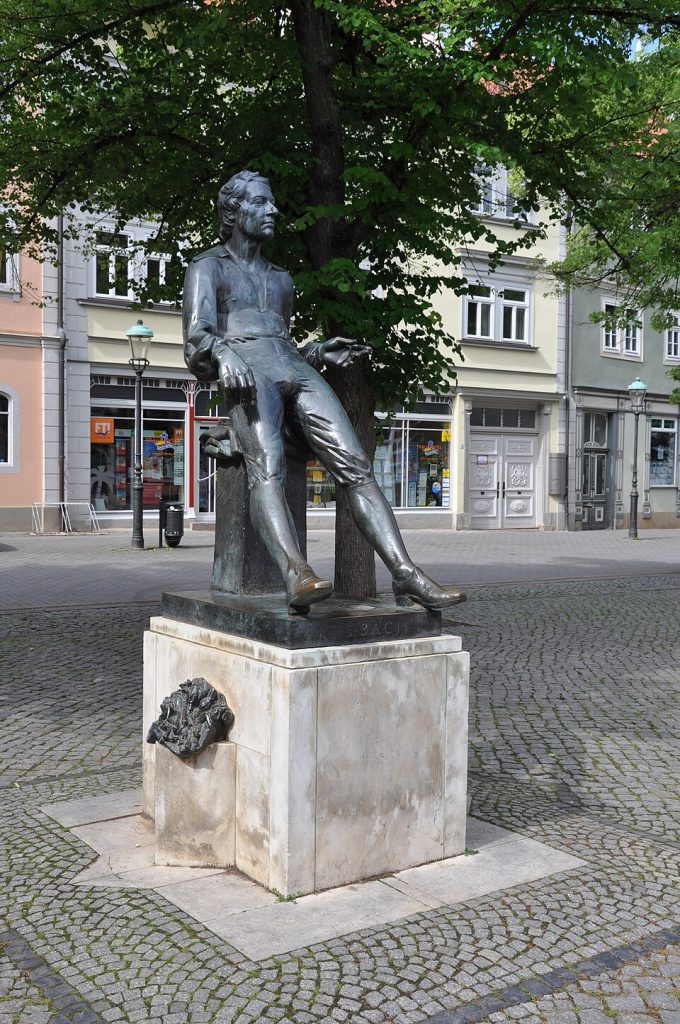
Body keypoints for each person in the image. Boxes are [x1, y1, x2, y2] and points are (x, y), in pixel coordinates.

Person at [183, 169, 465, 613]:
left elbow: (280, 340)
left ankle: (406, 574)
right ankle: (296, 572)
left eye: (271, 201)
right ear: (234, 212)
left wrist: (316, 351)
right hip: (248, 373)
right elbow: (195, 339)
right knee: (268, 467)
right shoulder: (208, 267)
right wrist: (221, 352)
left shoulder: (281, 279)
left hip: (294, 368)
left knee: (356, 465)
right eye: (259, 202)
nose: (272, 210)